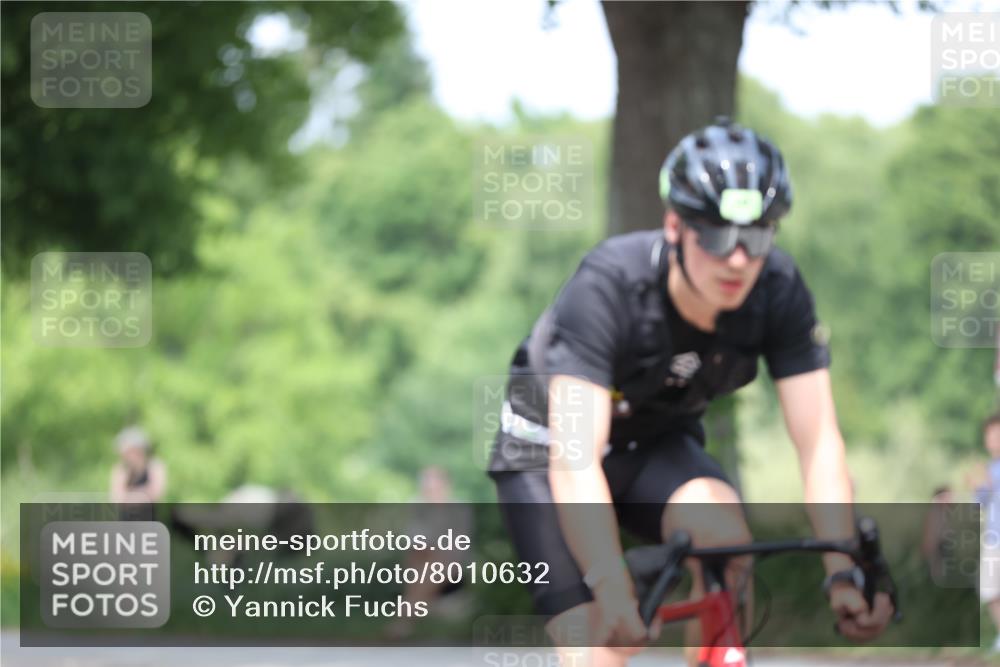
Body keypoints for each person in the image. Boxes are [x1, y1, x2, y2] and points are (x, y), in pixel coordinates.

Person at [487, 119, 894, 666]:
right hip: (548, 453)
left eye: (757, 236)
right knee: (596, 648)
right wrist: (609, 585)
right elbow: (575, 457)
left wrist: (842, 570)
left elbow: (819, 441)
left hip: (651, 443)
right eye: (717, 234)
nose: (737, 259)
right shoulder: (608, 285)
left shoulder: (777, 290)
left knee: (723, 534)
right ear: (675, 226)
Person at [971, 412, 1000, 653]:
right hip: (993, 536)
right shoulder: (987, 468)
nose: (994, 439)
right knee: (990, 590)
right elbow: (980, 503)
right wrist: (979, 488)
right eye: (990, 434)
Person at [109, 426, 166, 505]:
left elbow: (156, 493)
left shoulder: (154, 466)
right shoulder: (122, 468)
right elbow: (116, 497)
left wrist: (129, 495)